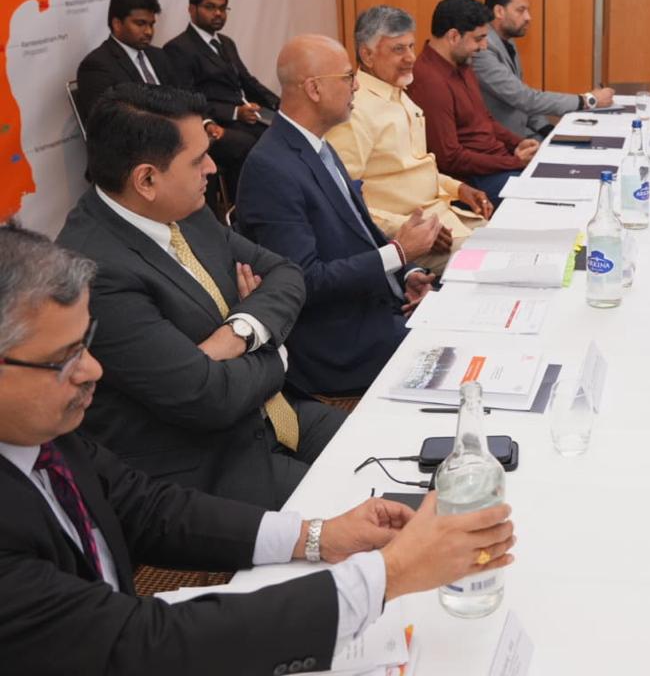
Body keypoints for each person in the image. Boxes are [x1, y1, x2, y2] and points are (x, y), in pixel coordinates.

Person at [0, 223, 515, 675]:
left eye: (87, 343)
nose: (93, 370)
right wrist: (389, 575)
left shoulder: (41, 431)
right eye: (63, 359)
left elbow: (146, 510)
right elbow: (139, 644)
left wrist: (318, 536)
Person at [57, 84, 343, 508]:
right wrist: (275, 350)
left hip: (274, 412)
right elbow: (209, 398)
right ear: (147, 179)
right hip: (205, 462)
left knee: (390, 453)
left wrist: (241, 331)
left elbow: (285, 273)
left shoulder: (183, 208)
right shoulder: (95, 271)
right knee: (359, 511)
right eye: (197, 160)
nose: (212, 168)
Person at [236, 35, 443, 395]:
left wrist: (406, 273)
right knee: (462, 347)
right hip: (338, 342)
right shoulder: (271, 168)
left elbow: (359, 232)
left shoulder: (317, 145)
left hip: (375, 306)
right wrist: (398, 253)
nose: (357, 86)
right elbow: (304, 281)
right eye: (348, 77)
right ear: (314, 89)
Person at [325, 5, 492, 272]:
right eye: (398, 49)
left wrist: (458, 188)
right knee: (495, 265)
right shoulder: (355, 111)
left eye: (411, 46)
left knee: (514, 244)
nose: (411, 57)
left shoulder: (399, 93)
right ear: (367, 55)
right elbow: (344, 201)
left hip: (445, 217)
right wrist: (407, 229)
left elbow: (412, 169)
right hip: (412, 238)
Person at [408, 0, 540, 206]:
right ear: (453, 37)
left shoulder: (462, 63)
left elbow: (485, 120)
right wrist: (514, 162)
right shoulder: (429, 80)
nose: (484, 46)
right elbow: (450, 159)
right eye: (478, 39)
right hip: (474, 180)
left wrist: (517, 143)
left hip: (497, 165)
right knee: (545, 198)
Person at [164, 0, 280, 195]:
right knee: (246, 144)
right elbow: (187, 98)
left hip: (242, 119)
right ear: (192, 9)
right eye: (210, 7)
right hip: (211, 123)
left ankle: (274, 198)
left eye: (222, 8)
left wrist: (281, 104)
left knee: (280, 133)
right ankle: (243, 206)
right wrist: (234, 112)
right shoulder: (179, 47)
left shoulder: (226, 43)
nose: (218, 13)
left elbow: (247, 81)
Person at [474, 0, 615, 138]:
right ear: (499, 11)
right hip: (503, 141)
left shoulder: (508, 40)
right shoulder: (482, 49)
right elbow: (523, 98)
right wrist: (587, 100)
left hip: (524, 134)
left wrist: (546, 128)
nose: (528, 17)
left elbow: (522, 98)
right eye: (520, 10)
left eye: (527, 10)